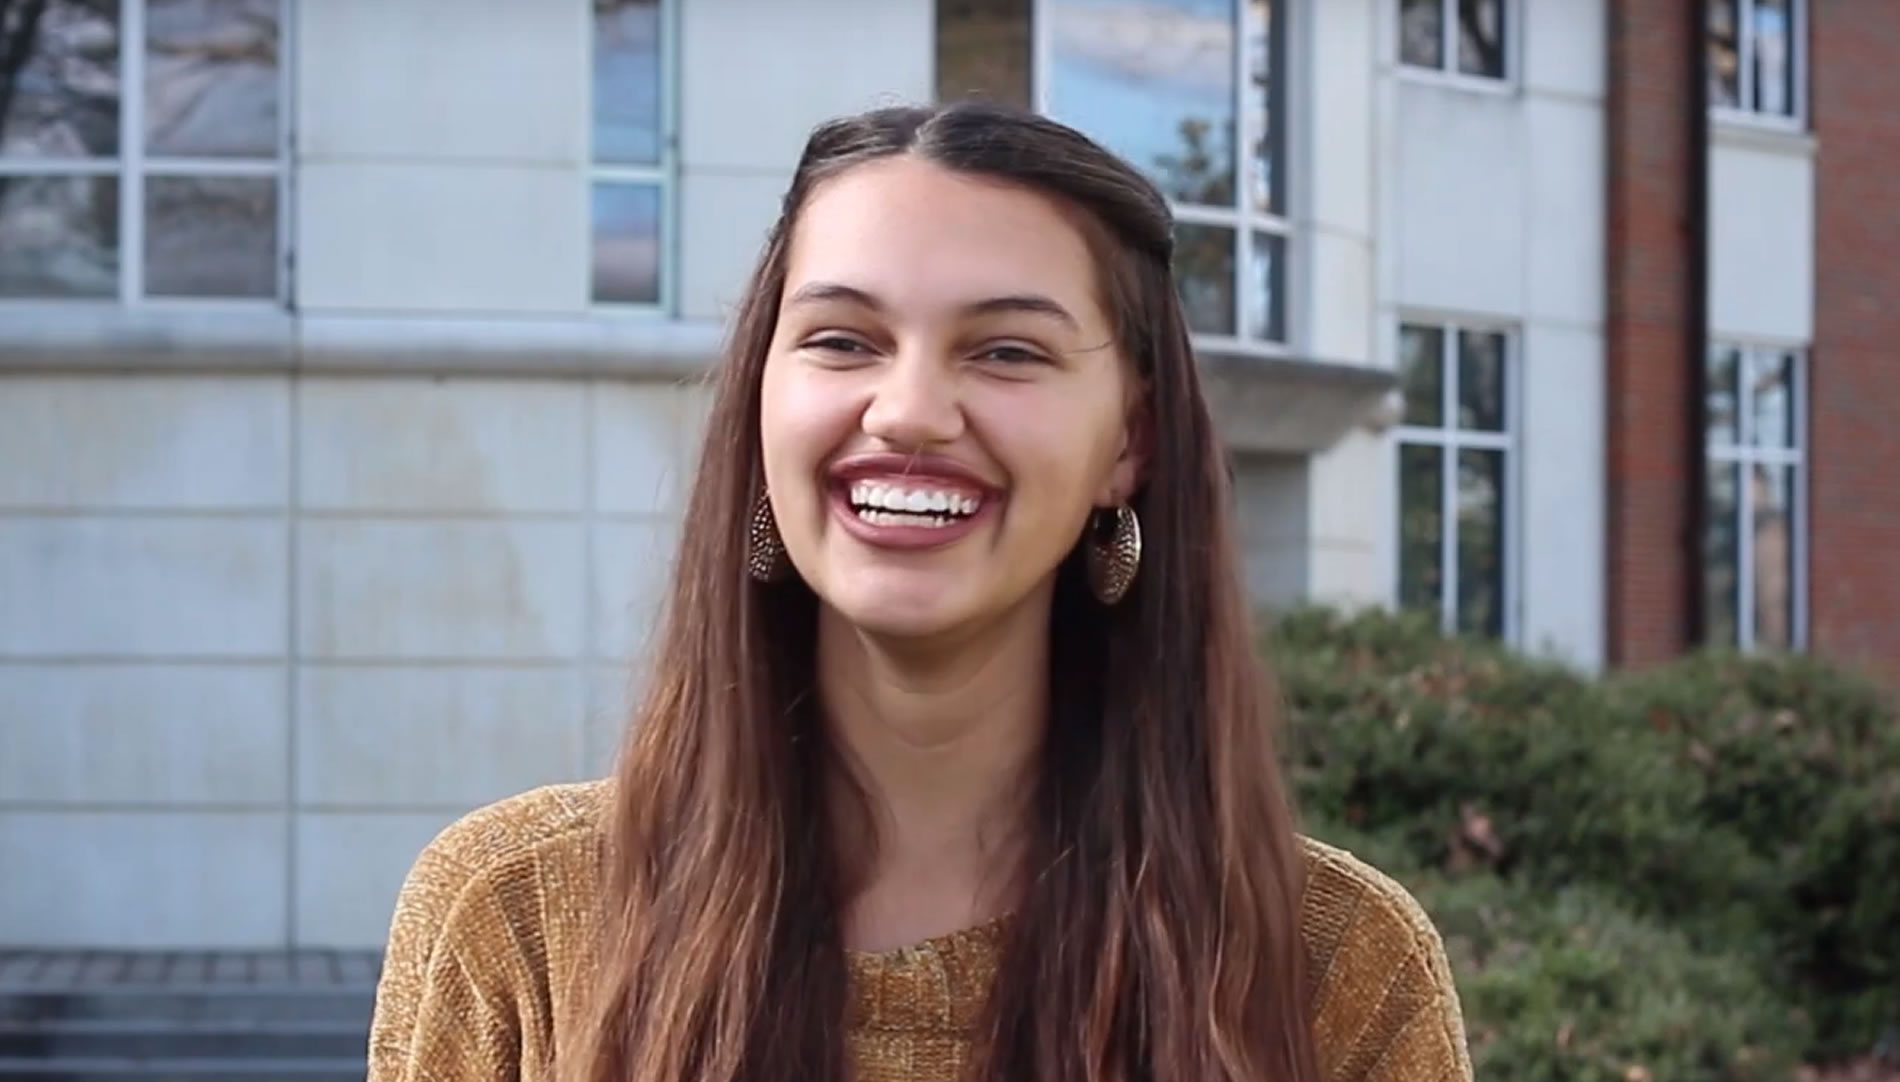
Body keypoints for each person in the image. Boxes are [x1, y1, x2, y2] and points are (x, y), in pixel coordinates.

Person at [365, 102, 1471, 1082]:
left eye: (1005, 352)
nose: (907, 411)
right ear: (762, 402)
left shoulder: (1333, 965)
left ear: (1127, 441)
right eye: (843, 340)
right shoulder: (517, 917)